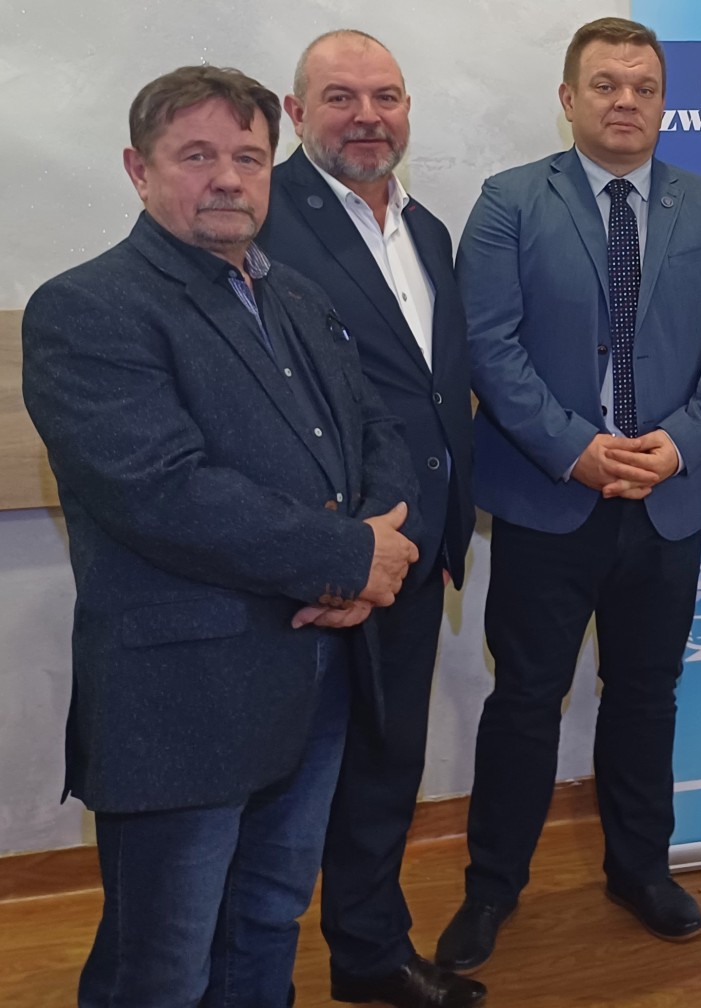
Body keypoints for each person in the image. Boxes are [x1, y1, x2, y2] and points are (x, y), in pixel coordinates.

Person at [21, 65, 421, 1007]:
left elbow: (377, 433)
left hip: (315, 672)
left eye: (248, 156)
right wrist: (349, 560)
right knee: (161, 963)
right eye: (196, 156)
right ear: (139, 169)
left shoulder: (298, 299)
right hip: (185, 696)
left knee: (267, 921)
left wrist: (370, 555)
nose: (229, 179)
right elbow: (162, 492)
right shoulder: (87, 308)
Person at [434, 17, 701, 971]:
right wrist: (575, 449)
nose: (627, 102)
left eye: (644, 87)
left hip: (669, 500)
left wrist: (681, 445)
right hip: (551, 501)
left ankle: (640, 870)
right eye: (606, 85)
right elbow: (487, 346)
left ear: (664, 103)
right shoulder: (509, 202)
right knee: (526, 699)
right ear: (568, 98)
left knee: (647, 696)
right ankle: (493, 887)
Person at [259, 31, 481, 1008]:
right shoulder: (261, 214)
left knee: (387, 763)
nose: (366, 116)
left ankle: (368, 952)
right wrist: (329, 542)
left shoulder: (427, 229)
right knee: (280, 782)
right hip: (315, 555)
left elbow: (433, 393)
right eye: (340, 97)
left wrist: (437, 527)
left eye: (385, 96)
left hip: (412, 546)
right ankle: (244, 975)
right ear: (296, 113)